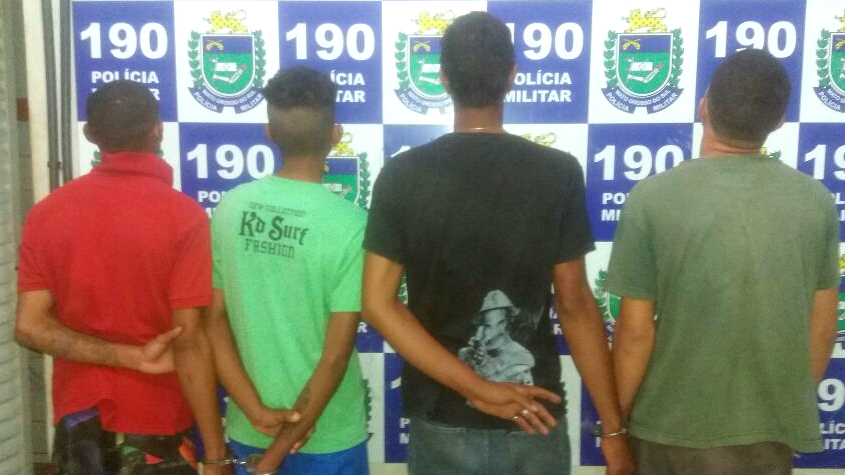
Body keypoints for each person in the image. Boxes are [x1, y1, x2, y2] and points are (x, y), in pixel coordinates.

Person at [362, 11, 633, 475]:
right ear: (513, 76)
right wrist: (612, 430)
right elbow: (574, 305)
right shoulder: (557, 172)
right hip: (534, 416)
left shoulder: (402, 175)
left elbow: (377, 303)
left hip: (443, 417)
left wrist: (476, 388)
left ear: (443, 78)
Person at [609, 49, 841, 475]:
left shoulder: (651, 198)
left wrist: (615, 425)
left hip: (667, 431)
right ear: (779, 121)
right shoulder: (817, 202)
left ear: (704, 106)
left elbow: (635, 334)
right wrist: (776, 409)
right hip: (768, 438)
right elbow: (823, 329)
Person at [15, 80, 231, 475]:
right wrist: (216, 456)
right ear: (158, 131)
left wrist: (125, 357)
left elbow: (29, 326)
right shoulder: (184, 217)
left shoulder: (47, 214)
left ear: (89, 134)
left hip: (79, 417)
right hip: (158, 416)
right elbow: (190, 342)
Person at [206, 66, 369, 475]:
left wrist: (255, 412)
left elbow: (213, 322)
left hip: (251, 428)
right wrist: (280, 449)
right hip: (328, 435)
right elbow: (334, 356)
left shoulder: (230, 207)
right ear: (336, 134)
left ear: (269, 133)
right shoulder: (352, 224)